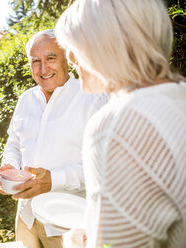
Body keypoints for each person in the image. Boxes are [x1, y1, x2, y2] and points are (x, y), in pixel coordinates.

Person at [54, 0, 186, 247]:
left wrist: (75, 243)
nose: (69, 58)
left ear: (106, 45)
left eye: (75, 45)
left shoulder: (117, 125)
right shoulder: (179, 97)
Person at [0, 29, 108, 248]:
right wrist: (8, 165)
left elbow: (104, 165)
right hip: (26, 217)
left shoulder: (92, 98)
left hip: (69, 223)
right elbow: (14, 143)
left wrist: (53, 180)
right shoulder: (26, 99)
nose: (43, 68)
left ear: (68, 58)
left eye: (51, 58)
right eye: (35, 61)